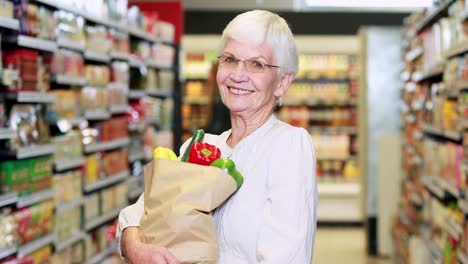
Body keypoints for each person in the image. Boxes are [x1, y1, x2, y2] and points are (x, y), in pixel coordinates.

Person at [117, 9, 317, 264]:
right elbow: (137, 213)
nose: (237, 74)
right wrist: (134, 245)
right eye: (230, 59)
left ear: (282, 82)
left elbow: (287, 257)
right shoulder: (198, 146)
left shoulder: (288, 145)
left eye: (257, 64)